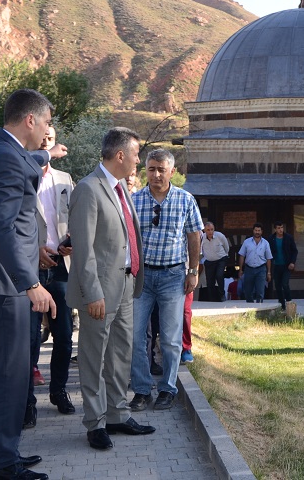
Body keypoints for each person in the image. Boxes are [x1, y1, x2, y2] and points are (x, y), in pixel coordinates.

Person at [0, 89, 64, 480]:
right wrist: (30, 284)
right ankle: (1, 464)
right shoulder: (6, 158)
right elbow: (3, 227)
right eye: (45, 124)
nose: (47, 132)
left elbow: (28, 159)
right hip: (6, 283)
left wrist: (47, 156)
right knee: (9, 374)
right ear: (29, 121)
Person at [69, 127, 156, 450]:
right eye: (135, 154)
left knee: (121, 353)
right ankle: (95, 423)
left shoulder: (120, 189)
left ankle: (118, 414)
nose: (138, 160)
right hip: (100, 291)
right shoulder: (89, 189)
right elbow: (84, 248)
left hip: (127, 285)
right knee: (94, 357)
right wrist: (92, 293)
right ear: (120, 155)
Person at [129, 148, 202, 411]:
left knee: (171, 339)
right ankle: (140, 389)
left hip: (173, 276)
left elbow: (194, 236)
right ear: (145, 171)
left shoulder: (185, 200)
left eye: (162, 169)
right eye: (151, 169)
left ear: (172, 171)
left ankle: (167, 389)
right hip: (142, 278)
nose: (156, 174)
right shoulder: (134, 201)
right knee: (136, 337)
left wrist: (193, 271)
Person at [30, 125, 76, 421]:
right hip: (30, 266)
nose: (47, 141)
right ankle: (26, 403)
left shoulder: (65, 179)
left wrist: (71, 241)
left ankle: (59, 390)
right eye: (43, 137)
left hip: (60, 266)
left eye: (51, 138)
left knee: (64, 334)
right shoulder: (22, 173)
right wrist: (36, 250)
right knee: (30, 337)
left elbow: (72, 217)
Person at [238, 223, 272, 303]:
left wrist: (269, 272)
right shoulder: (247, 242)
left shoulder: (265, 243)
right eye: (256, 230)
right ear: (253, 231)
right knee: (248, 291)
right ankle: (250, 308)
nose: (257, 232)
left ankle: (259, 308)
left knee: (260, 291)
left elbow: (268, 258)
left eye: (259, 231)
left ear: (261, 232)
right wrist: (240, 270)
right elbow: (242, 255)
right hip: (249, 269)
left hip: (261, 269)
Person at [269, 221, 298, 310]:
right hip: (276, 265)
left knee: (285, 284)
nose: (281, 230)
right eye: (278, 228)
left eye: (282, 227)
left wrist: (292, 262)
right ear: (275, 229)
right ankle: (282, 304)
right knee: (277, 285)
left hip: (287, 265)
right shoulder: (271, 238)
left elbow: (294, 251)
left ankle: (289, 302)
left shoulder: (288, 237)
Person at [200, 220, 229, 302]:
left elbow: (226, 247)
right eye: (208, 230)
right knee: (209, 280)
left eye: (212, 229)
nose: (210, 232)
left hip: (220, 259)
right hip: (209, 261)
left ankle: (222, 295)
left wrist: (225, 255)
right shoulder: (202, 238)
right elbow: (200, 250)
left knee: (219, 275)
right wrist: (204, 260)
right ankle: (212, 298)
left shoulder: (220, 236)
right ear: (205, 230)